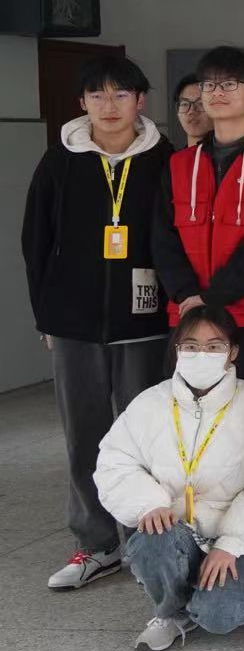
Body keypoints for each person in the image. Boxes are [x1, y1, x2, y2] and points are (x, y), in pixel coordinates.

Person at [25, 54, 174, 591]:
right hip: (74, 322)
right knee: (83, 433)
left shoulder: (164, 158)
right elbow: (35, 241)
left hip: (146, 320)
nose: (109, 106)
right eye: (97, 95)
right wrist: (47, 315)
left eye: (120, 94)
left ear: (140, 101)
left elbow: (173, 238)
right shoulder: (60, 160)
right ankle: (95, 543)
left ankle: (146, 539)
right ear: (82, 103)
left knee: (146, 435)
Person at [93, 305, 244, 651]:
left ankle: (216, 594)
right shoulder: (150, 402)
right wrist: (148, 504)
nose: (201, 354)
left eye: (214, 346)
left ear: (233, 352)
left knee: (219, 617)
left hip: (232, 541)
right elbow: (114, 461)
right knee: (153, 538)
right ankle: (171, 612)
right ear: (177, 350)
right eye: (191, 346)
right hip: (174, 531)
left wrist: (232, 542)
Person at [152, 46, 244, 407]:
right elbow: (162, 237)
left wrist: (212, 297)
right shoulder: (179, 164)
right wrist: (187, 294)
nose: (217, 93)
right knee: (189, 409)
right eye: (209, 85)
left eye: (229, 84)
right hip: (188, 313)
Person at [173, 74, 209, 148]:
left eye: (201, 103)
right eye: (185, 104)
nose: (191, 111)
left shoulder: (231, 154)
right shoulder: (176, 156)